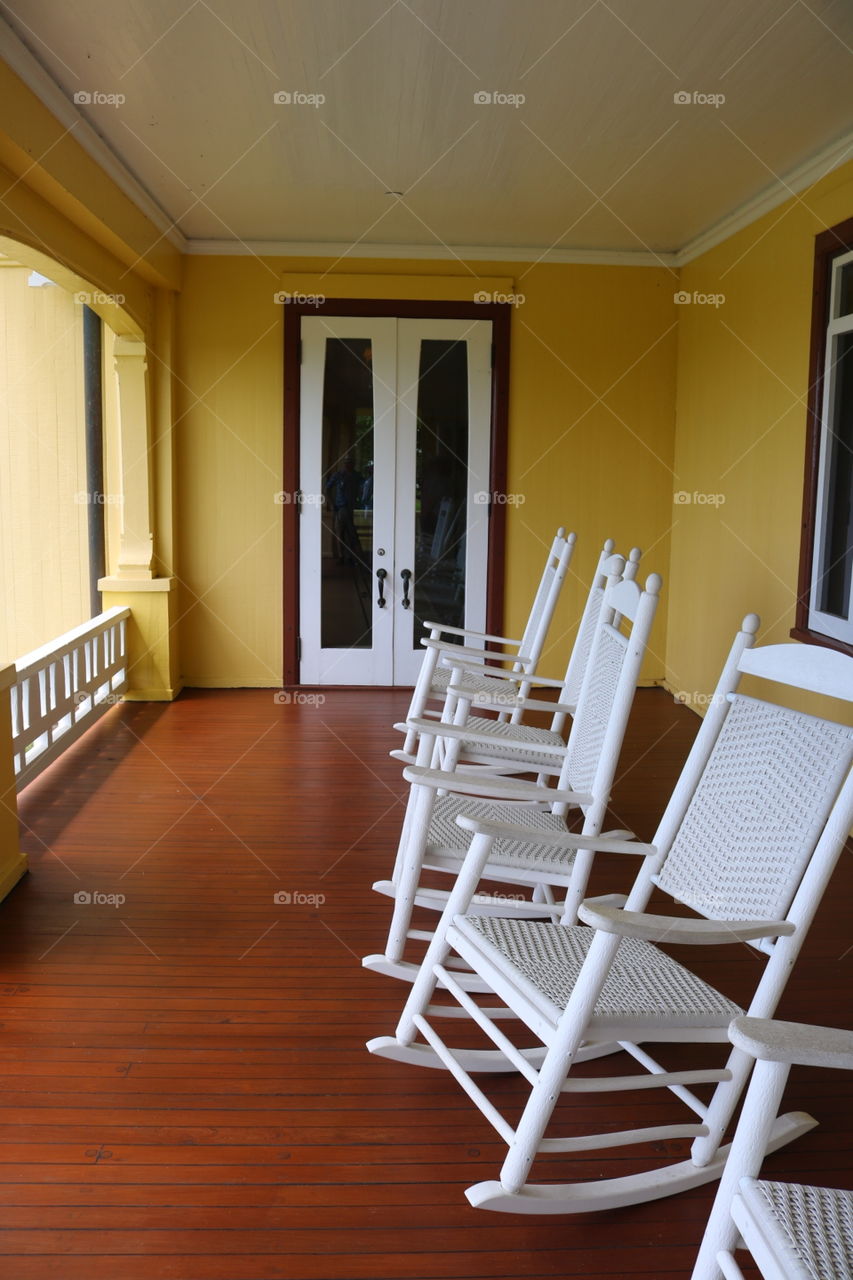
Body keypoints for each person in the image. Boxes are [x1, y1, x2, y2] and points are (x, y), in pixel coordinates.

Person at [325, 456, 364, 565]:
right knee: (340, 533)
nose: (349, 464)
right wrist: (332, 504)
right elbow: (327, 488)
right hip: (340, 508)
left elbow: (363, 487)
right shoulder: (338, 475)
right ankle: (343, 557)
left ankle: (354, 557)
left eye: (351, 462)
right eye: (347, 462)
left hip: (352, 509)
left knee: (351, 534)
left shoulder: (357, 476)